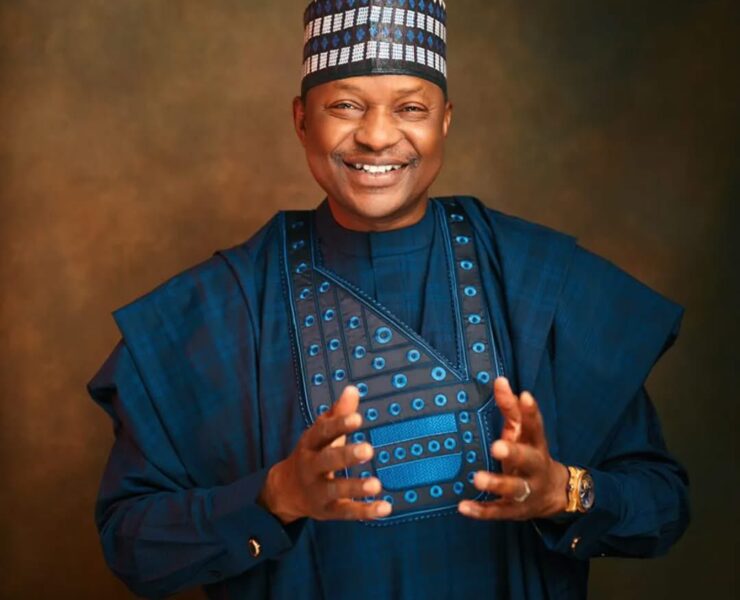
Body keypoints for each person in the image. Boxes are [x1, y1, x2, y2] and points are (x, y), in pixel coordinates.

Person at [87, 1, 689, 598]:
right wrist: (275, 497)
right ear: (301, 120)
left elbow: (662, 503)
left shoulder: (540, 280)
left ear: (445, 120)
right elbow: (132, 545)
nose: (377, 137)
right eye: (345, 106)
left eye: (411, 108)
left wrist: (564, 491)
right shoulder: (220, 307)